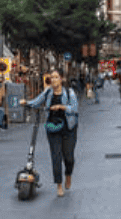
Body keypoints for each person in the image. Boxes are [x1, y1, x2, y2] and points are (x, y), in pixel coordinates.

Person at [26, 69, 80, 197]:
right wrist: (26, 103)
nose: (53, 80)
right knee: (56, 156)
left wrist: (62, 107)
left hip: (68, 128)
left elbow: (75, 108)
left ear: (61, 79)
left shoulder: (69, 92)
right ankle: (59, 185)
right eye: (52, 77)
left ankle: (68, 174)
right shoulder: (48, 92)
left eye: (56, 77)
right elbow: (37, 101)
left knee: (69, 157)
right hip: (52, 127)